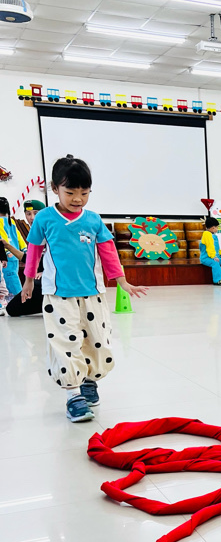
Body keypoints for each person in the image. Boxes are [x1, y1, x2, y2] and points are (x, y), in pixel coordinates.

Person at [21, 155, 147, 423]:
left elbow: (108, 252)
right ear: (54, 189)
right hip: (58, 295)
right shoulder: (44, 218)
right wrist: (29, 280)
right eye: (70, 192)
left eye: (84, 193)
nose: (78, 199)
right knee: (65, 342)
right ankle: (73, 395)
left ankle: (89, 381)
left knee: (96, 339)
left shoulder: (93, 220)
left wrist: (122, 281)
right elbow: (33, 250)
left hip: (93, 294)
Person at [6, 198, 45, 317]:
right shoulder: (34, 233)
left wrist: (45, 272)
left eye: (36, 213)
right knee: (12, 308)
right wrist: (7, 246)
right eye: (28, 214)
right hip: (39, 279)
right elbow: (28, 259)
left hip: (53, 279)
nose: (32, 218)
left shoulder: (51, 231)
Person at [0, 196, 26, 297]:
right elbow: (19, 237)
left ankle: (20, 300)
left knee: (11, 282)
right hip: (16, 255)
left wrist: (6, 252)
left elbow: (2, 237)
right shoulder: (11, 221)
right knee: (14, 278)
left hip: (7, 257)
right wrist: (24, 249)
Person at [199, 217, 221, 284]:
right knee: (215, 263)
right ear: (213, 228)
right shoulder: (206, 234)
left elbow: (217, 248)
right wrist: (213, 257)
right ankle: (217, 280)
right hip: (206, 258)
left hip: (216, 257)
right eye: (217, 227)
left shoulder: (214, 236)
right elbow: (209, 247)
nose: (217, 229)